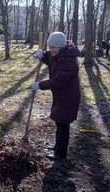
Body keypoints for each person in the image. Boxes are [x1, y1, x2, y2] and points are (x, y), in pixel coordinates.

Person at [33, 32, 80, 160]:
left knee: (63, 124)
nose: (51, 50)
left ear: (61, 46)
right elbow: (51, 59)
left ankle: (60, 153)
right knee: (60, 122)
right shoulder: (60, 55)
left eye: (53, 47)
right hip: (62, 95)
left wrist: (40, 85)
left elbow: (59, 80)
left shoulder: (69, 60)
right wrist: (42, 56)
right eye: (49, 47)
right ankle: (57, 146)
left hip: (68, 96)